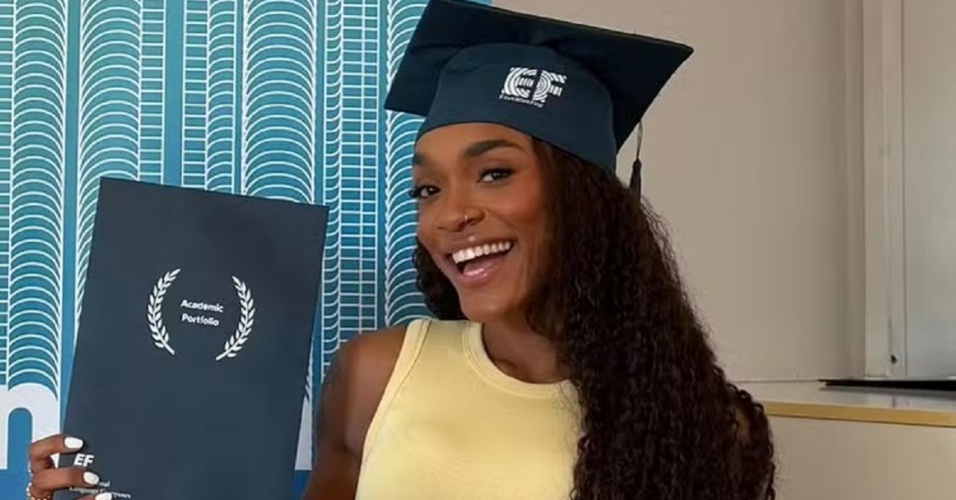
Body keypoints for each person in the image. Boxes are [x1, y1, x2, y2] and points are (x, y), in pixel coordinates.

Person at [26, 1, 776, 499]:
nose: (453, 213)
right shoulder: (379, 373)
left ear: (586, 198)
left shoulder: (704, 425)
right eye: (427, 189)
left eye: (494, 173)